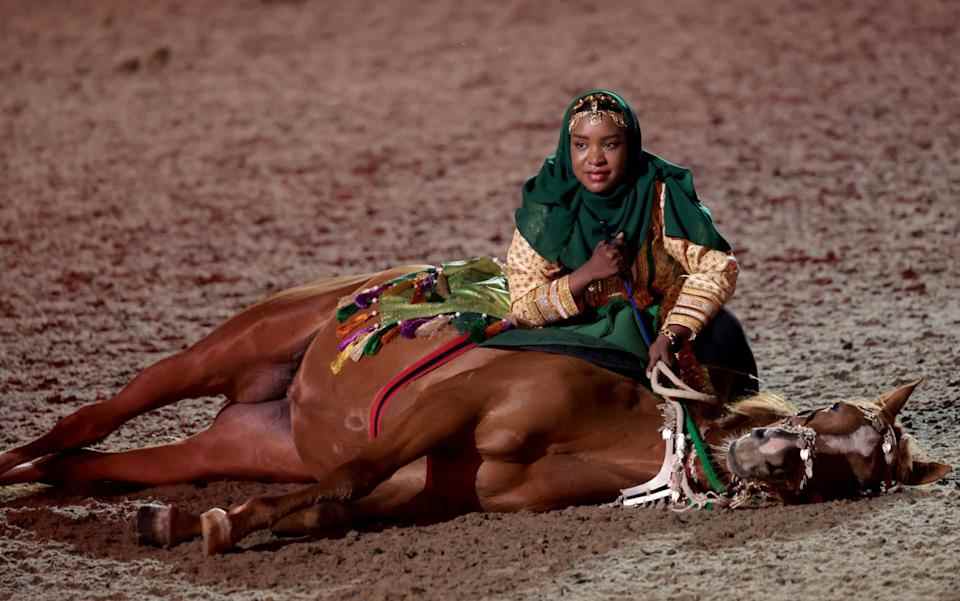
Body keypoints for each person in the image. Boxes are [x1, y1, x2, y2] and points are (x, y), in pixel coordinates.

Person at [491, 89, 757, 399]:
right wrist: (587, 273)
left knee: (723, 335)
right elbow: (523, 306)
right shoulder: (548, 204)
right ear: (567, 148)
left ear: (629, 146)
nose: (595, 159)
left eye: (610, 144)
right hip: (579, 332)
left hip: (659, 320)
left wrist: (672, 335)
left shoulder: (660, 192)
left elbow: (717, 267)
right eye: (580, 145)